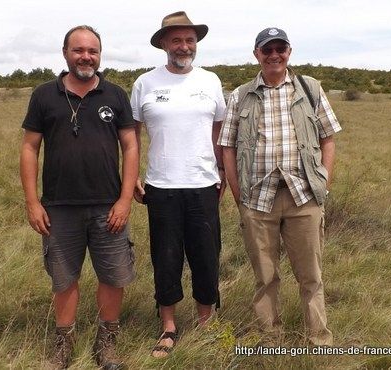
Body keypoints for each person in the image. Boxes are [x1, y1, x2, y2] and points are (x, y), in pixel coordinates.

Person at [19, 25, 138, 369]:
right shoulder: (44, 95)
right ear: (65, 52)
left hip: (108, 205)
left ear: (100, 55)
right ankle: (63, 346)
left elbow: (130, 146)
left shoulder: (115, 95)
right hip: (58, 207)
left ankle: (107, 345)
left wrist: (125, 200)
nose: (86, 56)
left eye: (93, 51)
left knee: (114, 276)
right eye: (79, 50)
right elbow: (29, 148)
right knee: (64, 277)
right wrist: (32, 202)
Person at [218, 27, 341, 346]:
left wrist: (323, 183)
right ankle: (270, 338)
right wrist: (238, 195)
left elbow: (328, 138)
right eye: (267, 49)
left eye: (280, 48)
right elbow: (227, 147)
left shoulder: (309, 88)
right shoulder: (241, 94)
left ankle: (318, 340)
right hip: (257, 200)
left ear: (289, 51)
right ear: (256, 54)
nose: (274, 55)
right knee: (266, 276)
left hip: (304, 197)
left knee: (311, 276)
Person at [130, 11, 226, 358]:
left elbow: (219, 132)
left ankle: (206, 321)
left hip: (203, 184)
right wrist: (133, 175)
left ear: (195, 44)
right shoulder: (145, 83)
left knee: (206, 256)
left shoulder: (211, 81)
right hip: (161, 186)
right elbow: (132, 136)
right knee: (165, 257)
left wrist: (223, 172)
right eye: (177, 40)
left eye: (190, 40)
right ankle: (168, 326)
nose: (184, 46)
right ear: (164, 44)